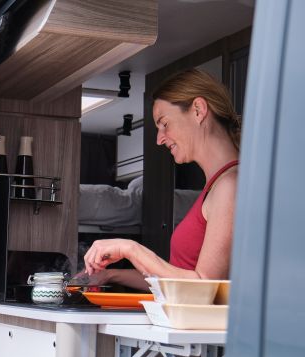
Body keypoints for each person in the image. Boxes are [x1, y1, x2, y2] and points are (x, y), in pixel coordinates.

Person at [82, 69, 240, 289]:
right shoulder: (217, 185)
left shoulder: (230, 186)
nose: (159, 139)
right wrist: (109, 275)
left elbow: (203, 286)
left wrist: (130, 248)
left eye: (164, 124)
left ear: (198, 110)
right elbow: (175, 281)